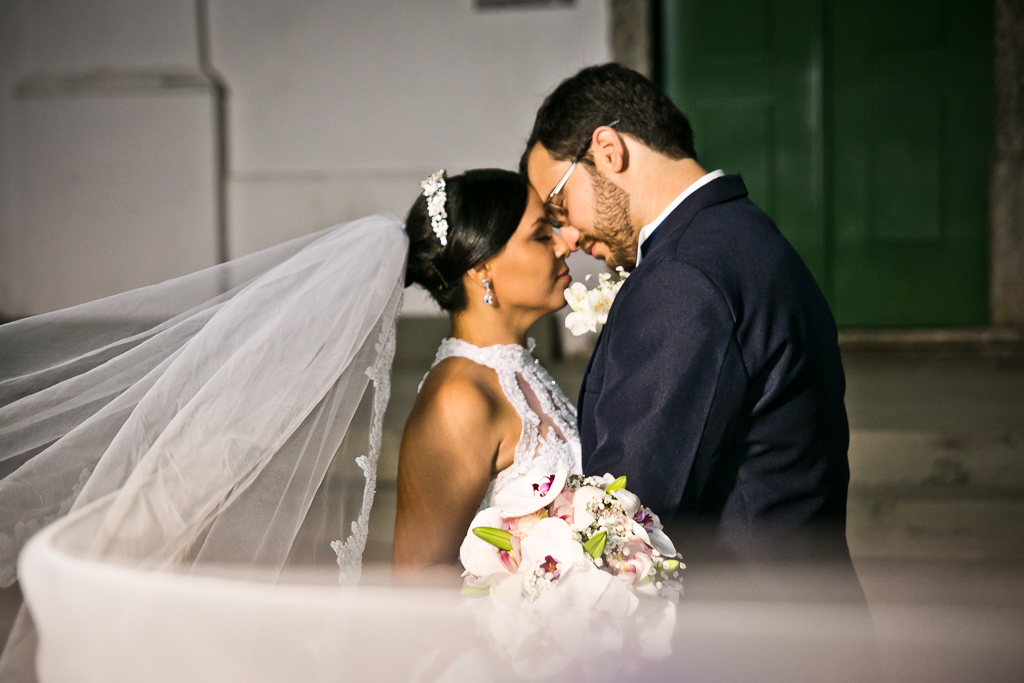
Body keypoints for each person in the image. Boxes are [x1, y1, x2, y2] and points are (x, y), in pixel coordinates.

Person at [521, 64, 857, 575]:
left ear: (609, 150)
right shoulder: (744, 232)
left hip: (742, 629)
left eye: (559, 205)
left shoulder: (682, 276)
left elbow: (634, 510)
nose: (565, 238)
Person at [393, 168, 580, 568]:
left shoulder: (520, 370)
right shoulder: (458, 400)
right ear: (481, 268)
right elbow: (418, 586)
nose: (564, 246)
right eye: (541, 235)